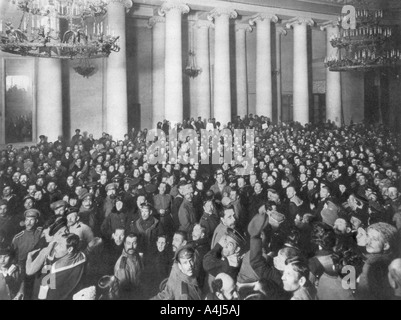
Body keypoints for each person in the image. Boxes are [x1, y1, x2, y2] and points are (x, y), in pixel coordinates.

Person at [36, 233, 86, 300]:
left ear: (70, 249)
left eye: (60, 245)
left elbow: (46, 292)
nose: (56, 247)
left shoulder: (56, 268)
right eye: (57, 243)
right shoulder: (82, 256)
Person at [356, 222, 398, 300]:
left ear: (386, 246)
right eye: (368, 236)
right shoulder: (390, 261)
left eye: (374, 239)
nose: (368, 242)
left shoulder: (372, 265)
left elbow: (362, 294)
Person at [114, 233, 143, 299]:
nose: (131, 247)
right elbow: (124, 292)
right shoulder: (122, 264)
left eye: (134, 243)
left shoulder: (137, 256)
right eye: (128, 243)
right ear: (124, 244)